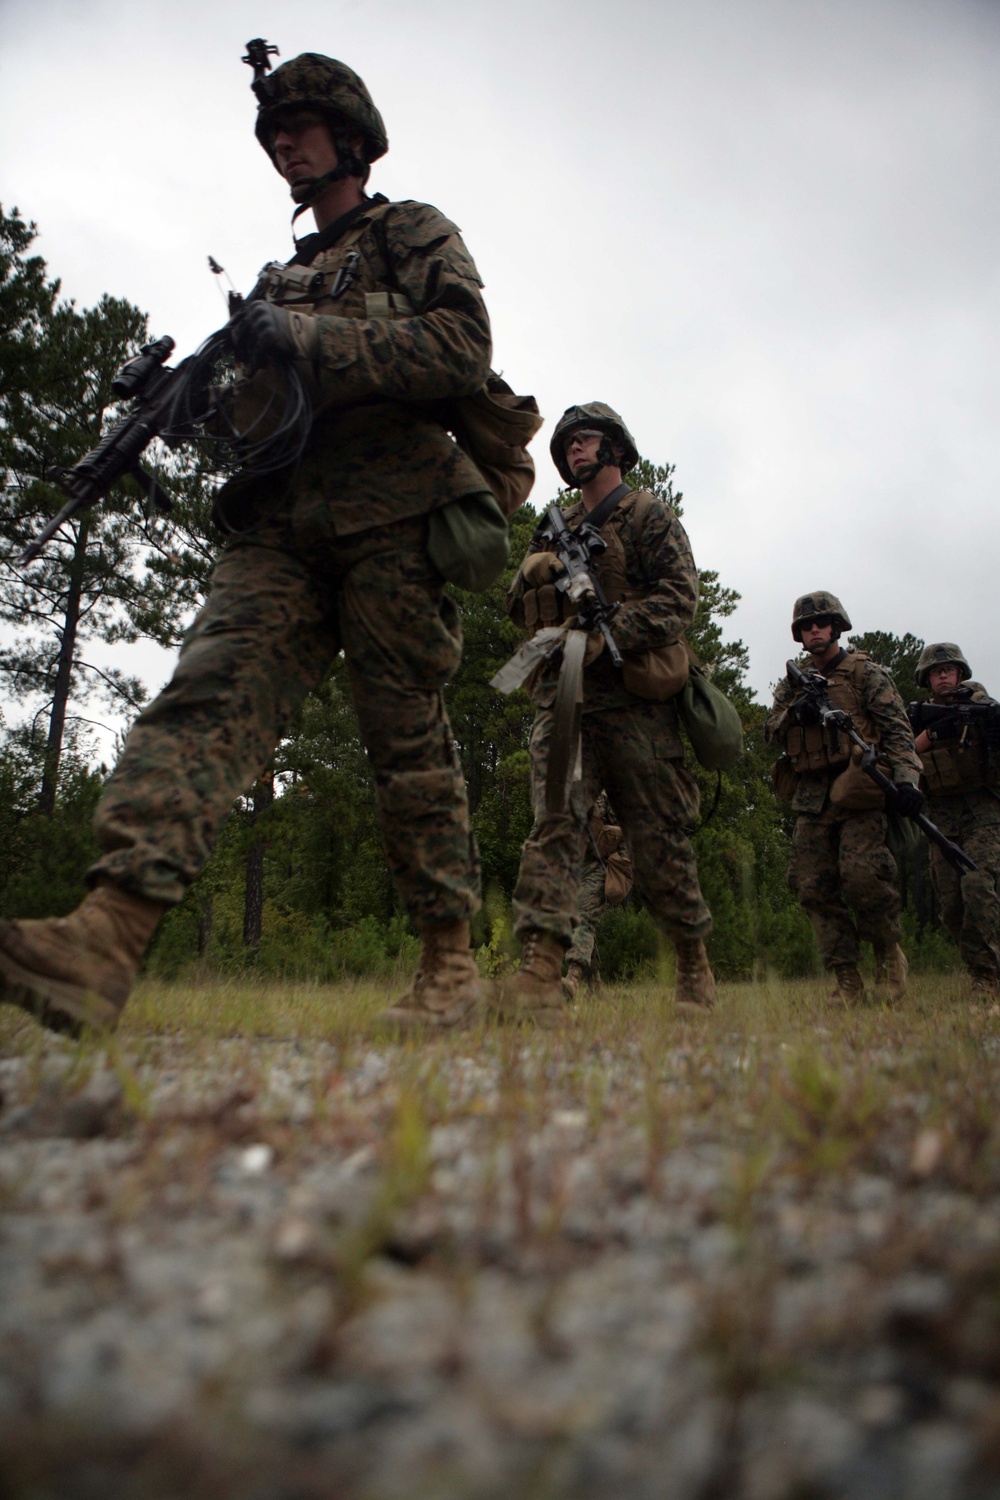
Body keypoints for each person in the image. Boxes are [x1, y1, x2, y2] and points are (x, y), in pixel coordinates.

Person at [0, 50, 500, 1036]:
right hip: (281, 524)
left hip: (394, 518)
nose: (285, 143)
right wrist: (199, 402)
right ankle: (106, 936)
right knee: (206, 697)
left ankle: (449, 964)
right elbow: (265, 407)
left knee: (404, 742)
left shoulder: (410, 231)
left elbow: (461, 346)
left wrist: (305, 340)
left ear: (352, 137)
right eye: (274, 132)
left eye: (303, 125)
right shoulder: (282, 275)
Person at [497, 403, 715, 1026]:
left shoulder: (649, 515)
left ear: (615, 447)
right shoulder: (552, 527)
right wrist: (538, 578)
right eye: (566, 444)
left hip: (636, 703)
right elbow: (520, 606)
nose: (574, 450)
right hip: (564, 695)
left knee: (657, 837)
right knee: (555, 827)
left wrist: (611, 626)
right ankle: (541, 967)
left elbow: (680, 599)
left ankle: (693, 966)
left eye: (586, 440)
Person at [765, 592, 922, 1003]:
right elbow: (769, 732)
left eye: (821, 623)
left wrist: (906, 781)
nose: (814, 629)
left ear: (836, 628)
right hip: (812, 797)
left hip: (860, 788)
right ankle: (846, 978)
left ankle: (888, 957)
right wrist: (796, 713)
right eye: (806, 625)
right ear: (799, 635)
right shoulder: (792, 684)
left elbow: (899, 732)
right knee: (812, 884)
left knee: (863, 877)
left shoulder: (864, 674)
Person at [910, 643, 1000, 996]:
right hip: (941, 818)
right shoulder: (920, 716)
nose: (943, 674)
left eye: (949, 669)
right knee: (951, 906)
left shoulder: (984, 709)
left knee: (978, 887)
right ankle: (979, 969)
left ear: (960, 673)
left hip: (984, 812)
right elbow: (903, 752)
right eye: (936, 670)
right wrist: (934, 734)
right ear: (927, 679)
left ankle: (987, 975)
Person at [562, 792, 633, 999]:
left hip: (599, 867)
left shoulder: (605, 796)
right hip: (573, 869)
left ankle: (572, 980)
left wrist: (623, 865)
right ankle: (595, 987)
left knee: (582, 917)